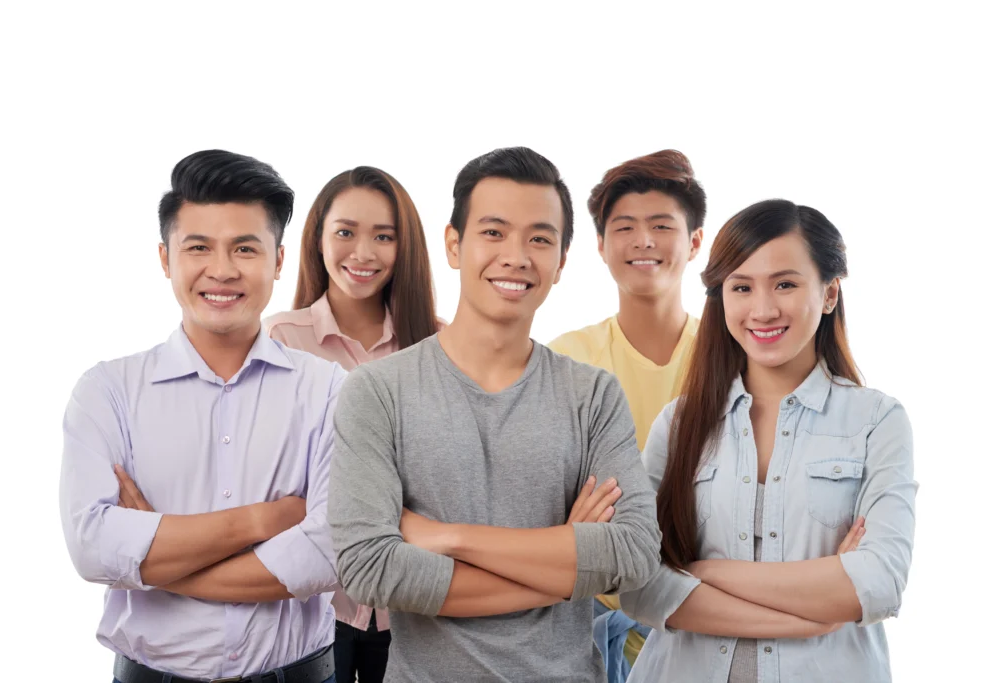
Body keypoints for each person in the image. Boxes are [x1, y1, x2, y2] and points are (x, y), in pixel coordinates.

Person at [327, 146, 661, 683]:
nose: (516, 255)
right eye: (494, 233)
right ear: (454, 245)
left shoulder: (592, 394)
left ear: (561, 262)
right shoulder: (377, 391)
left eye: (539, 239)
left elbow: (635, 552)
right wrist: (563, 562)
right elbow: (369, 568)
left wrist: (451, 537)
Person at [59, 150, 343, 683]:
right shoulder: (107, 392)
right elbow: (93, 548)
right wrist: (265, 520)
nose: (221, 270)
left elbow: (329, 553)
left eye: (244, 248)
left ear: (278, 262)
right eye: (198, 248)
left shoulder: (329, 391)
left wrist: (155, 557)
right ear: (166, 260)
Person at [620, 199, 917, 682]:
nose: (762, 309)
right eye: (741, 287)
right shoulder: (678, 425)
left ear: (828, 293)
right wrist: (814, 609)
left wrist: (705, 572)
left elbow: (879, 584)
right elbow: (638, 585)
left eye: (785, 283)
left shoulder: (876, 421)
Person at [265, 165, 442, 683]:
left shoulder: (443, 346)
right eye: (345, 232)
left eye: (383, 236)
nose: (362, 253)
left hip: (418, 606)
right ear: (317, 238)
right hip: (316, 608)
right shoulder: (279, 341)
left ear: (404, 247)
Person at [548, 150, 706, 679]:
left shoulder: (734, 355)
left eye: (662, 225)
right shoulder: (566, 358)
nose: (643, 241)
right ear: (600, 245)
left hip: (708, 619)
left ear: (696, 241)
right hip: (589, 624)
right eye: (625, 227)